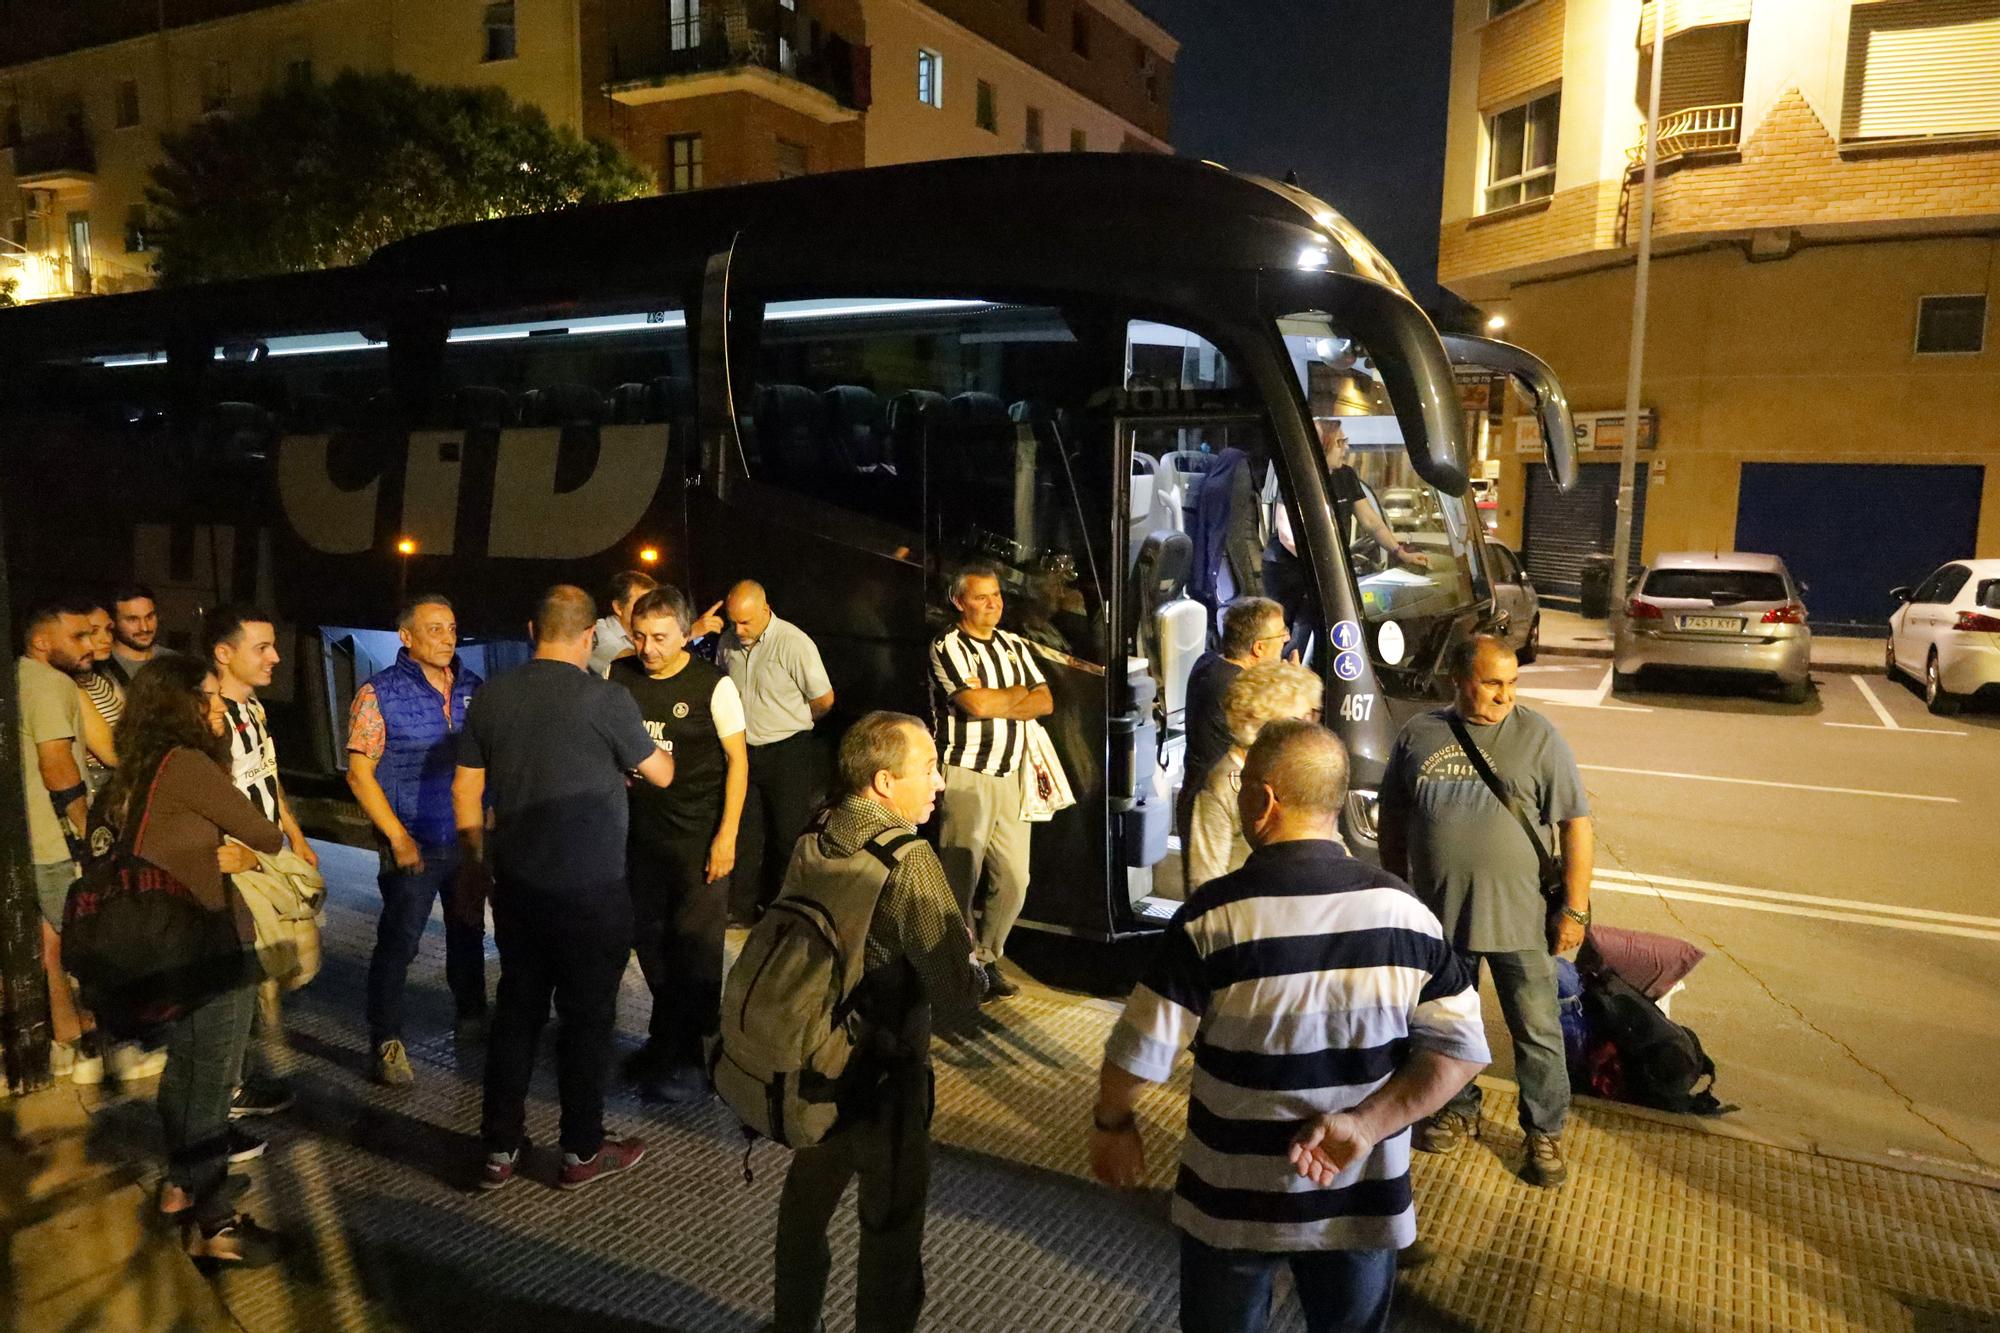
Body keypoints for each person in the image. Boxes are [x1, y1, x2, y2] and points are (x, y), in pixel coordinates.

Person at [1090, 720, 1489, 1333]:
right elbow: (1460, 1051)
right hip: (1360, 1197)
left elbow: (1142, 1051)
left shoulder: (1213, 919)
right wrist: (1365, 1124)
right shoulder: (1408, 915)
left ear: (1263, 799)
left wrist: (1112, 1122)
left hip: (1232, 1204)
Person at [455, 585, 675, 1192]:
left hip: (518, 887)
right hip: (593, 891)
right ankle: (581, 1151)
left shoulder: (491, 696)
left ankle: (499, 1148)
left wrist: (475, 870)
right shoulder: (607, 699)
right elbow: (660, 772)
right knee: (587, 1021)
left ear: (533, 628)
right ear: (588, 638)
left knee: (518, 1015)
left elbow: (466, 791)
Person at [770, 711, 984, 1333]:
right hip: (885, 1072)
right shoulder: (909, 859)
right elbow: (954, 995)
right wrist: (969, 961)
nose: (939, 782)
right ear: (885, 782)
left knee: (805, 1212)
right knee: (890, 1231)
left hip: (815, 1058)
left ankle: (793, 1323)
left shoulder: (818, 828)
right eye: (927, 769)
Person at [1379, 633, 1594, 1189]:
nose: (1505, 696)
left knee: (1538, 1031)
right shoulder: (1419, 734)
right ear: (1459, 679)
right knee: (1448, 1028)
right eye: (1492, 683)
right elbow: (1394, 819)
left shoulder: (1538, 737)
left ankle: (1543, 1131)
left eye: (1513, 683)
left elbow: (1577, 826)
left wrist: (1575, 910)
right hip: (1439, 920)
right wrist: (1397, 891)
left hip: (1521, 921)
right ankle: (1457, 1108)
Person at [101, 654, 288, 1266]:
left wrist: (211, 851)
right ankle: (216, 1225)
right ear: (178, 706)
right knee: (210, 1081)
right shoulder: (186, 764)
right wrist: (232, 848)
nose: (218, 710)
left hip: (163, 946)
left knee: (185, 1070)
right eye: (207, 700)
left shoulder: (137, 767)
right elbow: (266, 832)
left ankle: (181, 1188)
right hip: (207, 943)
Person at [607, 584, 749, 1102]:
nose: (648, 648)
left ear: (686, 634)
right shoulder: (619, 675)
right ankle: (664, 1041)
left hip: (697, 841)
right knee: (652, 945)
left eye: (661, 638)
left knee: (697, 952)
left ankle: (697, 1057)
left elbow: (738, 762)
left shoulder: (714, 686)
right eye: (640, 636)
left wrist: (727, 836)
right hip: (639, 840)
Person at [345, 595, 487, 1087]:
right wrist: (397, 838)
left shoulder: (473, 687)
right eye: (434, 629)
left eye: (451, 628)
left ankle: (472, 1019)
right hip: (414, 841)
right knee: (400, 942)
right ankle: (385, 1041)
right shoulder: (377, 693)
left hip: (463, 839)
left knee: (467, 931)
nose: (447, 637)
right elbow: (359, 775)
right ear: (406, 637)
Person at [206, 606, 317, 1125]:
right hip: (238, 864)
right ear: (223, 654)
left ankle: (242, 1077)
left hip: (265, 854)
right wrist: (240, 855)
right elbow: (202, 797)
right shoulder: (208, 718)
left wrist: (292, 836)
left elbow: (267, 780)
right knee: (242, 975)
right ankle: (225, 1091)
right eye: (262, 648)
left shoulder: (252, 710)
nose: (275, 657)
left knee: (265, 973)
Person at [929, 562, 1053, 1000]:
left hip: (1011, 774)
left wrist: (998, 699)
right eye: (982, 597)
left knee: (1016, 878)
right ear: (959, 602)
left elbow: (1045, 700)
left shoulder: (1014, 645)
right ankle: (957, 967)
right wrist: (1013, 697)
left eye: (997, 595)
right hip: (967, 776)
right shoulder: (947, 646)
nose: (994, 604)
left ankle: (986, 957)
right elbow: (974, 706)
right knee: (961, 878)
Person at [695, 580, 835, 918]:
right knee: (745, 831)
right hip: (744, 750)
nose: (739, 629)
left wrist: (794, 721)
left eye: (746, 622)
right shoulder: (727, 642)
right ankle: (741, 908)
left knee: (786, 834)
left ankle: (780, 909)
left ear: (765, 609)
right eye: (734, 622)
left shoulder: (793, 642)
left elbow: (824, 699)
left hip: (788, 749)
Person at [18, 597, 106, 1082]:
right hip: (54, 840)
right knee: (81, 939)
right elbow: (55, 761)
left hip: (27, 837)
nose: (90, 644)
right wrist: (87, 828)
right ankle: (87, 1045)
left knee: (48, 943)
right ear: (41, 641)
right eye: (78, 637)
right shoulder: (51, 683)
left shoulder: (19, 679)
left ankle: (66, 1030)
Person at [1262, 419, 1428, 658]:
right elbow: (1287, 533)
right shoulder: (1299, 476)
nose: (1346, 448)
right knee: (1289, 634)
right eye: (1341, 442)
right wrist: (1322, 563)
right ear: (1323, 445)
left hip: (1324, 565)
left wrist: (1400, 552)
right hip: (1288, 568)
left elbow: (1372, 522)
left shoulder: (1346, 476)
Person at [1185, 659, 1322, 890]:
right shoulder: (1222, 785)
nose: (1312, 727)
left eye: (1314, 715)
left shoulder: (1296, 774)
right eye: (1302, 719)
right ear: (1264, 723)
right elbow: (1203, 883)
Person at [1178, 596, 1288, 854]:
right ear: (1258, 648)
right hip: (1218, 811)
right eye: (1281, 634)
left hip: (1196, 798)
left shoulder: (1208, 663)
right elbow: (1282, 738)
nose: (1285, 640)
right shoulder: (1237, 690)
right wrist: (1290, 682)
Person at [74, 599, 124, 789]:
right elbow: (112, 754)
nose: (107, 639)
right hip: (100, 787)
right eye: (94, 631)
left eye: (109, 629)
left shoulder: (103, 678)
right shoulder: (74, 687)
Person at [589, 569, 658, 677]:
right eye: (642, 603)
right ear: (618, 608)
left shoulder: (649, 634)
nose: (651, 610)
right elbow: (626, 660)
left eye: (654, 603)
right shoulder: (597, 631)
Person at [103, 583, 176, 686]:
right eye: (132, 619)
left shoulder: (175, 663)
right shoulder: (101, 668)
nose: (144, 628)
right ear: (112, 621)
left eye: (149, 617)